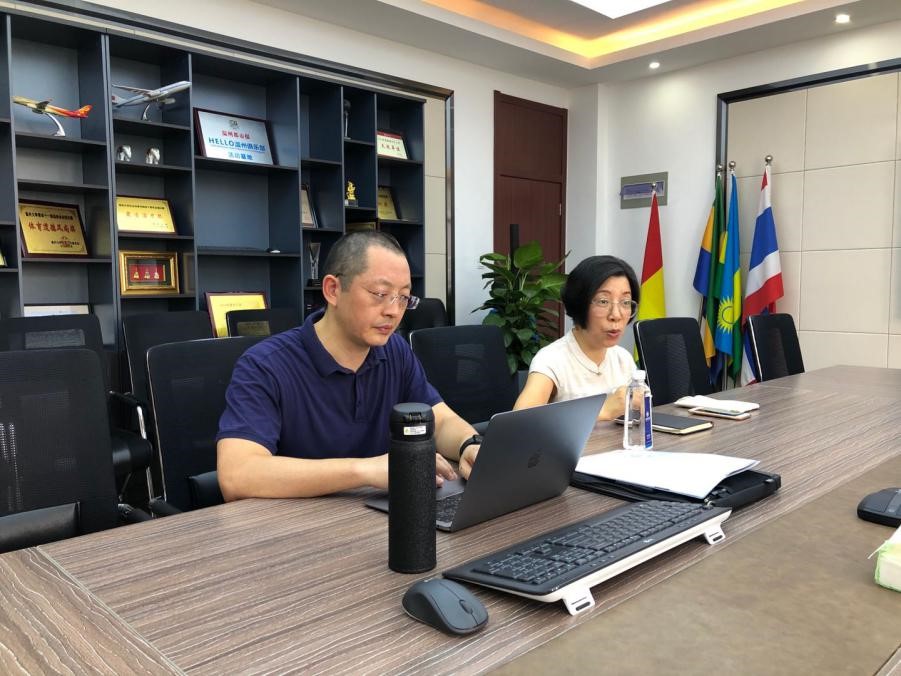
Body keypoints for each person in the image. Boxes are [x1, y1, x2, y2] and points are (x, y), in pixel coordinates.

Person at [217, 231, 481, 500]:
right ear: (333, 290)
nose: (393, 311)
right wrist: (365, 470)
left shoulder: (394, 351)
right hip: (299, 521)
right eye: (380, 294)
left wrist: (470, 444)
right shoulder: (264, 366)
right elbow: (236, 476)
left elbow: (440, 419)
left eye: (403, 297)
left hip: (378, 513)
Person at [513, 255, 639, 421]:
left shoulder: (622, 358)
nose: (616, 315)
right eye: (603, 301)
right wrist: (603, 411)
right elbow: (520, 422)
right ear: (579, 304)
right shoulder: (552, 359)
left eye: (625, 302)